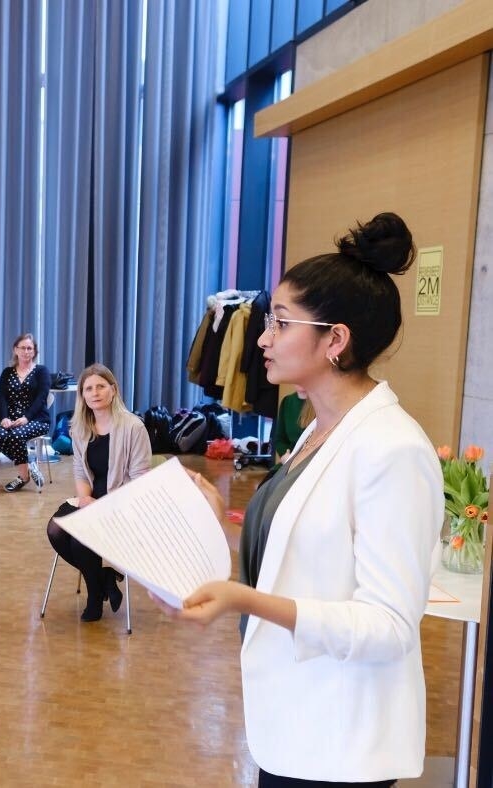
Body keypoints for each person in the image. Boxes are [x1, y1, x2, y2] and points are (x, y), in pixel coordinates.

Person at [152, 213, 443, 786]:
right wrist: (215, 526)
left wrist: (246, 601)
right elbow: (301, 556)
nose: (262, 338)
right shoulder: (317, 427)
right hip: (292, 723)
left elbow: (388, 627)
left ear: (335, 340)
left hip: (341, 743)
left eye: (280, 323)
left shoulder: (392, 449)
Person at [46, 363, 151, 621]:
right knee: (56, 529)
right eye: (88, 388)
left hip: (125, 503)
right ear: (82, 395)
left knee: (82, 538)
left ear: (113, 390)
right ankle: (104, 579)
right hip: (92, 498)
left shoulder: (133, 427)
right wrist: (84, 499)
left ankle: (95, 598)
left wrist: (104, 506)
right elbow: (81, 472)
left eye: (101, 386)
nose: (95, 393)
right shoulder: (80, 428)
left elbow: (140, 480)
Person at [0, 333, 52, 492]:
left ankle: (22, 478)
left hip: (37, 419)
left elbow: (42, 398)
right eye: (23, 348)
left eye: (30, 348)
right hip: (11, 419)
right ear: (15, 350)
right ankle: (29, 466)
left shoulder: (41, 371)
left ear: (34, 352)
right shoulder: (7, 373)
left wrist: (27, 417)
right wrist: (4, 417)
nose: (26, 351)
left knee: (16, 435)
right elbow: (2, 397)